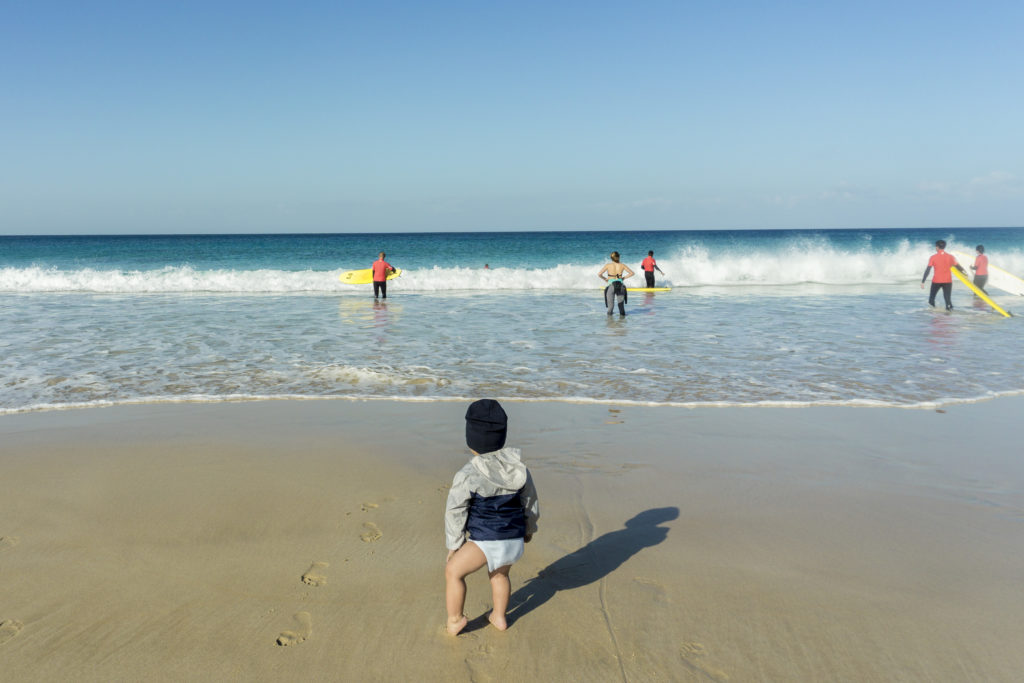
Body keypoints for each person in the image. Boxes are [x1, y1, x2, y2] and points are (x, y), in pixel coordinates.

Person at [444, 399, 539, 636]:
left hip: (486, 540)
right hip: (514, 540)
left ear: (470, 439)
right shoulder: (519, 469)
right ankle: (498, 617)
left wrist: (454, 545)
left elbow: (455, 511)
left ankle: (455, 620)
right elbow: (530, 503)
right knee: (500, 575)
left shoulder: (468, 473)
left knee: (454, 572)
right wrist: (529, 529)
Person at [920, 240, 965, 310]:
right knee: (948, 301)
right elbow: (959, 267)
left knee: (931, 300)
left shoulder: (933, 257)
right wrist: (965, 274)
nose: (935, 248)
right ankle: (950, 316)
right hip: (948, 281)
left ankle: (935, 314)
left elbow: (928, 270)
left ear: (937, 247)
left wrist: (923, 281)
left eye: (936, 246)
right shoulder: (951, 257)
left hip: (936, 281)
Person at [598, 252, 635, 316]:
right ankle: (622, 323)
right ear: (618, 257)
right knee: (621, 307)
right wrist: (623, 278)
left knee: (610, 308)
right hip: (620, 286)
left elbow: (599, 274)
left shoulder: (608, 265)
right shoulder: (622, 265)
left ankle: (610, 323)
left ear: (611, 258)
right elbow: (632, 273)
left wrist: (605, 279)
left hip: (611, 286)